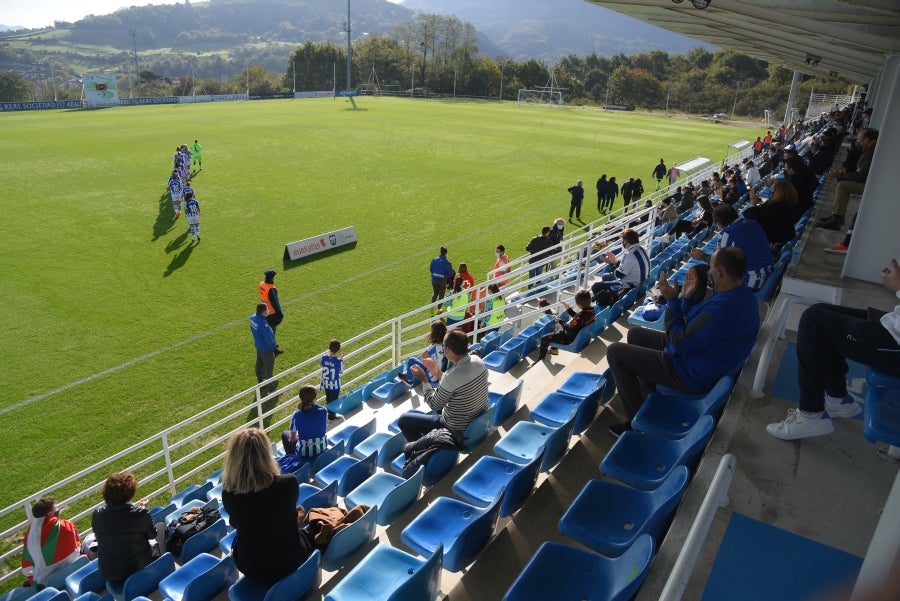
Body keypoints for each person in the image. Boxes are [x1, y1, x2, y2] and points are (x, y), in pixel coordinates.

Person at [605, 247, 760, 436]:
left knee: (615, 352)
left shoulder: (721, 308)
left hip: (690, 371)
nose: (709, 272)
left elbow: (678, 340)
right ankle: (649, 393)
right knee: (636, 335)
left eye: (711, 268)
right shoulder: (742, 295)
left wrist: (672, 301)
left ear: (719, 273)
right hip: (699, 355)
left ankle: (637, 423)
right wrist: (685, 300)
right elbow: (695, 324)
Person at [767, 258, 900, 440]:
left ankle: (811, 414)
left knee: (813, 321)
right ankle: (838, 399)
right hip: (894, 323)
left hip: (896, 341)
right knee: (820, 311)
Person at [221, 428, 314, 585]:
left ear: (234, 459)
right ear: (266, 454)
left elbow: (242, 522)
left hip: (255, 570)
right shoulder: (289, 483)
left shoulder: (229, 495)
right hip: (293, 558)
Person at [398, 329, 489, 442]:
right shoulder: (478, 361)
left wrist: (424, 380)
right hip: (476, 419)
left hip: (455, 429)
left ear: (448, 350)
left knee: (403, 420)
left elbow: (434, 404)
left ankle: (425, 450)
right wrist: (437, 373)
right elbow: (455, 382)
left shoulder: (451, 377)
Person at [91, 471, 166, 584]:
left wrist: (139, 510)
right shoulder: (140, 514)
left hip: (110, 573)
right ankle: (161, 568)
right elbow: (152, 535)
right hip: (136, 570)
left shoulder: (97, 514)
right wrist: (143, 510)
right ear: (131, 492)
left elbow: (117, 525)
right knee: (161, 527)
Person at [690, 204, 773, 292]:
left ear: (718, 224)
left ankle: (719, 300)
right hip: (768, 272)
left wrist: (702, 256)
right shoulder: (753, 223)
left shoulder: (727, 234)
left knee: (701, 271)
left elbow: (718, 266)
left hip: (753, 282)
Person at [817, 128, 878, 230]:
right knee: (842, 181)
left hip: (873, 185)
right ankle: (838, 216)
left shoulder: (871, 153)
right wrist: (841, 173)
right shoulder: (870, 149)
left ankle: (836, 220)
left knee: (843, 186)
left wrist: (840, 175)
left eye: (858, 140)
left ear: (866, 140)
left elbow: (861, 176)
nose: (857, 142)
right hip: (870, 181)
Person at [22, 496, 81, 587]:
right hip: (75, 571)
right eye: (55, 509)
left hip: (47, 584)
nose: (57, 510)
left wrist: (33, 582)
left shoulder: (29, 536)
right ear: (50, 514)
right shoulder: (66, 525)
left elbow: (27, 565)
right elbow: (77, 545)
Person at [591, 228, 650, 306]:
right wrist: (615, 261)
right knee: (606, 277)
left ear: (626, 241)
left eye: (623, 240)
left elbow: (619, 275)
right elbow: (628, 267)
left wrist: (611, 263)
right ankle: (606, 296)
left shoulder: (630, 255)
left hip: (630, 286)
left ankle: (607, 305)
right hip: (639, 283)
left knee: (595, 287)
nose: (622, 242)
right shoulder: (642, 249)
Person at [536, 289, 595, 360]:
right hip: (577, 334)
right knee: (557, 326)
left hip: (569, 338)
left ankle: (539, 359)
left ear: (578, 305)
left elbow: (568, 329)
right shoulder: (591, 312)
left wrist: (560, 321)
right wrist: (568, 309)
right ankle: (554, 350)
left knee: (544, 338)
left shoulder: (580, 316)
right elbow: (579, 318)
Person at [744, 179, 799, 246]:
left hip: (775, 239)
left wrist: (753, 203)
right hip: (784, 234)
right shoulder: (788, 204)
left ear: (777, 192)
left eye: (773, 192)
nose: (771, 193)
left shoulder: (776, 208)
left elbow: (755, 222)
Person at [281, 385, 328, 457]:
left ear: (301, 398)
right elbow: (323, 429)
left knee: (284, 434)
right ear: (315, 398)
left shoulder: (296, 415)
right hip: (322, 448)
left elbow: (293, 439)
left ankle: (291, 458)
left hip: (305, 453)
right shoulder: (324, 410)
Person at [250, 303, 277, 393]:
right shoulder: (262, 323)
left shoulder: (253, 317)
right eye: (267, 310)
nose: (268, 311)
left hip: (259, 345)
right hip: (266, 349)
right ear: (263, 312)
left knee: (259, 364)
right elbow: (268, 337)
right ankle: (271, 389)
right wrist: (273, 345)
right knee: (269, 369)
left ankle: (260, 381)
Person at [258, 269, 284, 354]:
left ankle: (273, 346)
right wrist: (280, 314)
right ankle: (273, 349)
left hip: (263, 311)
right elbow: (275, 303)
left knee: (268, 331)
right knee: (271, 332)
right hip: (271, 313)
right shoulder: (271, 289)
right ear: (272, 278)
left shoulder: (261, 284)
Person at [320, 339, 343, 420]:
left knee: (328, 398)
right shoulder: (338, 361)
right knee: (333, 400)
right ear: (338, 350)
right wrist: (341, 359)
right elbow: (340, 372)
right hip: (335, 385)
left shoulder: (323, 357)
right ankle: (331, 416)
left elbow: (322, 365)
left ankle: (329, 413)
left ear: (329, 347)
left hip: (326, 383)